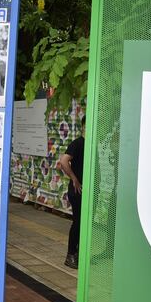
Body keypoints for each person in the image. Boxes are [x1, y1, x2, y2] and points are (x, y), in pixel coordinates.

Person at [59, 115, 85, 269]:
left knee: (84, 224)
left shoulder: (91, 144)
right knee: (78, 222)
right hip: (78, 191)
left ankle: (79, 254)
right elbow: (63, 161)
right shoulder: (78, 143)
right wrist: (74, 179)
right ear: (84, 125)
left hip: (87, 191)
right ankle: (70, 255)